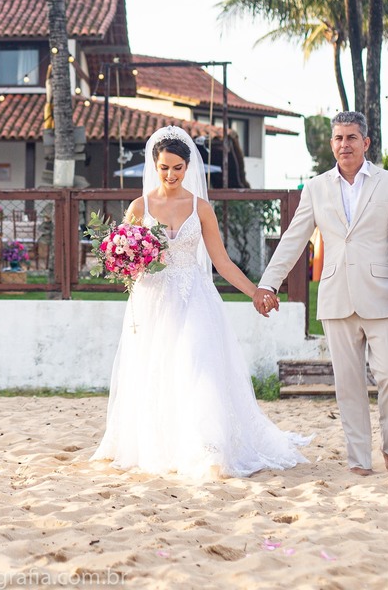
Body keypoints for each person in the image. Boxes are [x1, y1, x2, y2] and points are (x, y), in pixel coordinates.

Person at [91, 125, 309, 480]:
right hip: (152, 299)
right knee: (158, 370)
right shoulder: (138, 207)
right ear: (154, 165)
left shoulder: (200, 207)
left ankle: (208, 447)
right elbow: (117, 255)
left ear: (188, 166)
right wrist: (126, 261)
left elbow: (221, 262)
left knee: (198, 366)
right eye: (164, 167)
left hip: (195, 295)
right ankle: (162, 446)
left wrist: (256, 291)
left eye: (178, 167)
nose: (171, 174)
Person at [256, 111, 388, 476]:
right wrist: (269, 283)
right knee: (348, 385)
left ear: (366, 143)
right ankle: (360, 460)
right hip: (336, 298)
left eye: (351, 137)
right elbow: (293, 240)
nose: (344, 144)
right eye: (338, 139)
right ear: (331, 144)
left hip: (386, 297)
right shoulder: (315, 188)